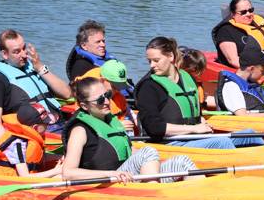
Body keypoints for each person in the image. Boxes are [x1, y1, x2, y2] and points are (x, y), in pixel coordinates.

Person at [62, 77, 199, 183]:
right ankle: (152, 198)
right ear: (85, 106)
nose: (106, 101)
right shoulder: (79, 131)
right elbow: (68, 172)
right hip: (108, 182)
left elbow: (127, 151)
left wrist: (153, 160)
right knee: (148, 152)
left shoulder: (110, 121)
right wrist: (109, 174)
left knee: (183, 161)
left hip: (127, 177)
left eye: (107, 95)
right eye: (99, 100)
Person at [135, 36, 264, 148]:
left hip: (192, 138)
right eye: (149, 61)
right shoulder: (148, 87)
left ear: (170, 56)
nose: (152, 65)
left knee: (250, 134)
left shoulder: (187, 78)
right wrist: (194, 129)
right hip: (169, 143)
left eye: (156, 60)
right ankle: (238, 174)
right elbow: (154, 128)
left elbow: (196, 114)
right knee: (221, 143)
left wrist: (201, 122)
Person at [0, 29, 71, 143]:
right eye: (16, 51)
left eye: (24, 48)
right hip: (39, 133)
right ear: (5, 54)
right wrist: (10, 147)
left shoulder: (33, 66)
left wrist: (40, 67)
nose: (24, 55)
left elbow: (67, 93)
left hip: (61, 124)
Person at [215, 45, 264, 117]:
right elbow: (242, 116)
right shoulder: (232, 86)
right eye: (262, 70)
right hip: (247, 128)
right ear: (251, 69)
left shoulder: (250, 83)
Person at [0, 102, 62, 178]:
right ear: (35, 127)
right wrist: (56, 171)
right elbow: (24, 176)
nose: (48, 125)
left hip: (31, 176)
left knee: (62, 175)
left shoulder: (30, 139)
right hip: (12, 182)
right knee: (60, 177)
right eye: (45, 123)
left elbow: (40, 157)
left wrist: (60, 157)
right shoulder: (17, 144)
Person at [73, 59, 136, 132]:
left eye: (120, 86)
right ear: (102, 81)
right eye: (114, 86)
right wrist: (118, 126)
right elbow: (89, 126)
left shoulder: (116, 95)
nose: (118, 90)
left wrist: (134, 118)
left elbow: (126, 110)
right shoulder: (89, 97)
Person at [66, 20, 131, 88]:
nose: (103, 44)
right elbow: (79, 92)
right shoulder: (81, 66)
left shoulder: (107, 60)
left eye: (103, 41)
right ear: (84, 46)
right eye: (98, 42)